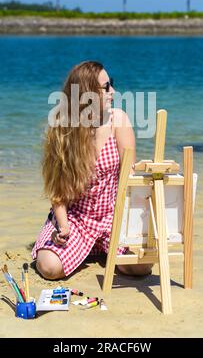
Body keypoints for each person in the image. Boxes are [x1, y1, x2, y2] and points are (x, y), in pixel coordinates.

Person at [32, 60, 152, 279]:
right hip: (77, 218)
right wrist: (63, 227)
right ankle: (83, 247)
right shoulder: (63, 130)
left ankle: (99, 249)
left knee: (141, 268)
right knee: (49, 268)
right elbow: (57, 191)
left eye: (111, 84)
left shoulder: (119, 121)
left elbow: (130, 177)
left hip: (112, 216)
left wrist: (134, 223)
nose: (113, 91)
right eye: (106, 87)